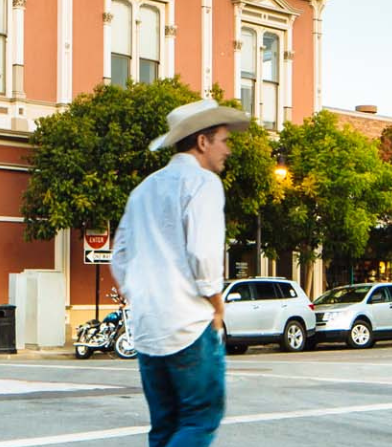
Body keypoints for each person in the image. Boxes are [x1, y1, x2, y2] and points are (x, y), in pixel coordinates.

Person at [112, 98, 248, 447]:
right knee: (200, 420)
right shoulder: (202, 183)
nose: (227, 150)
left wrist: (141, 294)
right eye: (223, 139)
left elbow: (120, 256)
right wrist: (217, 304)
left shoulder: (143, 189)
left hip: (148, 328)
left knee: (164, 426)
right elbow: (203, 255)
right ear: (203, 141)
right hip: (189, 325)